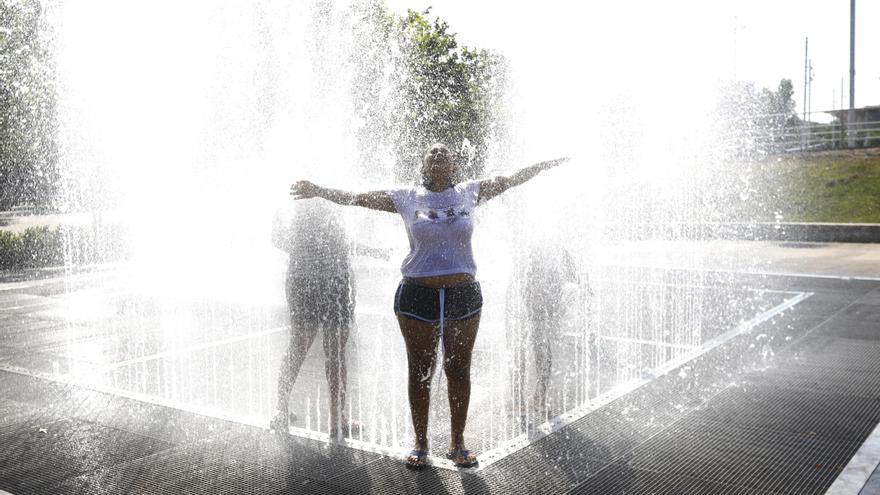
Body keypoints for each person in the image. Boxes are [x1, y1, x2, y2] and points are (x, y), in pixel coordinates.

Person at [289, 143, 568, 468]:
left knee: (458, 369)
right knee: (420, 370)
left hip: (462, 295)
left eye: (444, 152)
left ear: (453, 163)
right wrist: (319, 190)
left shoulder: (469, 193)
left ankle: (457, 443)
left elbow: (510, 179)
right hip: (417, 295)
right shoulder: (407, 197)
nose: (438, 155)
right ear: (423, 162)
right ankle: (420, 443)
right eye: (431, 152)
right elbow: (358, 197)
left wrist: (542, 165)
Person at [269, 200, 357, 441]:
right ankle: (335, 418)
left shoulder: (294, 208)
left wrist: (303, 249)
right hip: (327, 281)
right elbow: (344, 245)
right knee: (331, 349)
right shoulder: (329, 205)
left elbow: (277, 239)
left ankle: (283, 410)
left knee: (305, 346)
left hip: (306, 280)